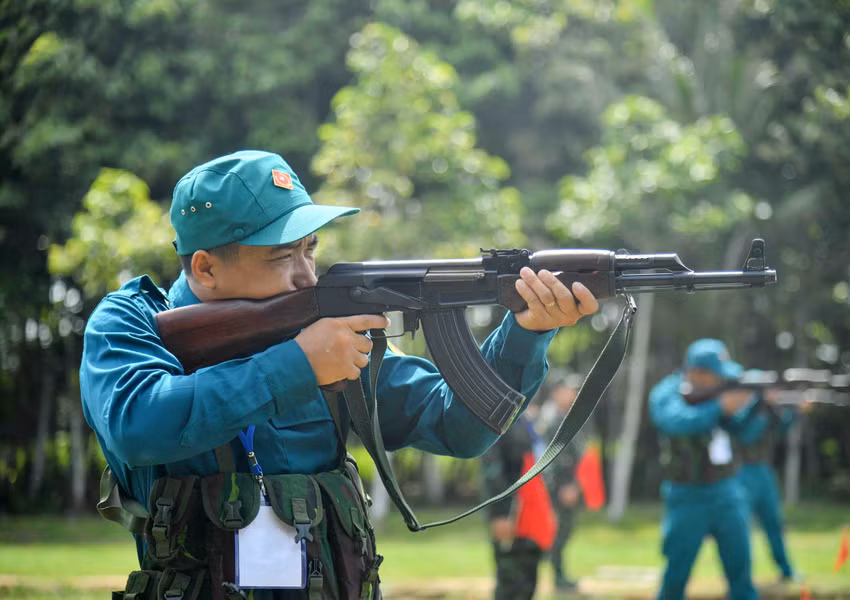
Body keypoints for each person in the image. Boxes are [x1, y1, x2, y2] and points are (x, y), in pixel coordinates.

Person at [80, 150, 600, 600]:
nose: (306, 274)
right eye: (282, 256)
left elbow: (459, 426)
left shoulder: (324, 328)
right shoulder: (132, 323)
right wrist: (297, 367)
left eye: (310, 249)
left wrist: (526, 332)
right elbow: (137, 423)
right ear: (205, 269)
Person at [648, 338, 758, 600]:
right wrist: (720, 406)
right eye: (717, 376)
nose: (722, 381)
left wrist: (755, 404)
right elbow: (677, 422)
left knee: (741, 573)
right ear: (698, 372)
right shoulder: (666, 393)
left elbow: (743, 432)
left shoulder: (718, 394)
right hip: (686, 495)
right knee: (675, 577)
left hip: (726, 490)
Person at [734, 372, 811, 584]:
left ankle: (786, 570)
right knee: (742, 529)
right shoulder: (744, 412)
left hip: (763, 472)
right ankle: (741, 577)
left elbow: (781, 430)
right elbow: (746, 436)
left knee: (774, 523)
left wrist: (797, 412)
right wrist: (764, 407)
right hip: (743, 472)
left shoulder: (768, 411)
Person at [480, 403, 556, 600]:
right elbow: (492, 469)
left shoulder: (524, 418)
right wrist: (500, 513)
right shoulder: (499, 417)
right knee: (511, 583)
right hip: (512, 514)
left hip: (530, 512)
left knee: (527, 579)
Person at [537, 374, 587, 593]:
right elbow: (554, 457)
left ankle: (558, 575)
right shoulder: (552, 418)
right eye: (570, 389)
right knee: (556, 531)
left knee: (562, 531)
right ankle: (557, 577)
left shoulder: (563, 414)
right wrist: (565, 485)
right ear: (557, 391)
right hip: (556, 487)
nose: (574, 394)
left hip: (563, 484)